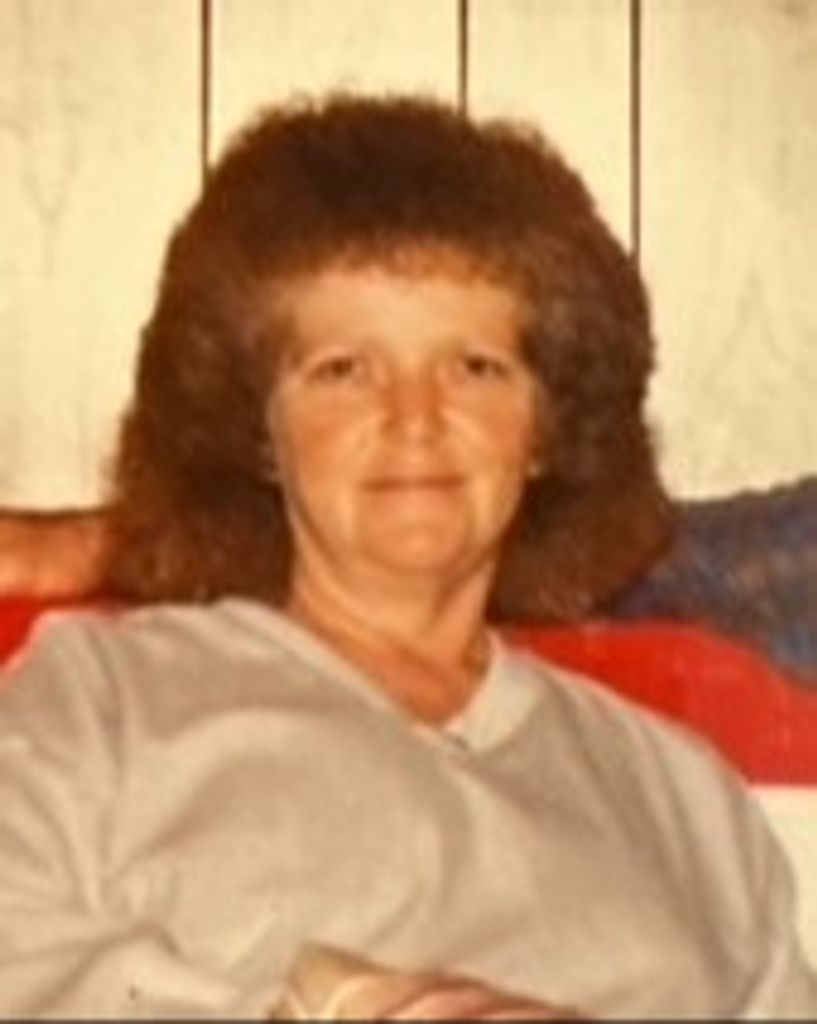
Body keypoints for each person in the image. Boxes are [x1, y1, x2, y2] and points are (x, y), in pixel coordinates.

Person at [0, 93, 814, 1019]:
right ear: (259, 430)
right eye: (343, 371)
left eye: (475, 368)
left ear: (545, 428)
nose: (414, 421)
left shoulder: (681, 795)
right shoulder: (98, 700)